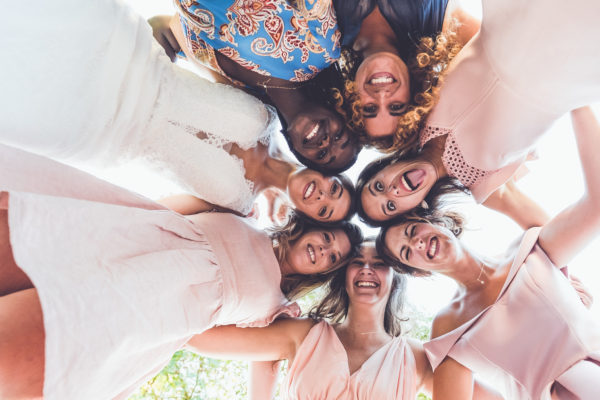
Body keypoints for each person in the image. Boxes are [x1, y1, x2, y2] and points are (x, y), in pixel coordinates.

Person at [0, 143, 363, 400]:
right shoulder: (244, 214)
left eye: (333, 258)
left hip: (140, 308)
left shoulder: (276, 308)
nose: (325, 250)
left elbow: (244, 356)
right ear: (313, 226)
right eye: (329, 237)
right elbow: (160, 209)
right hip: (112, 243)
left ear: (323, 274)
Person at [0, 0, 347, 217]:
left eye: (325, 210)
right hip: (126, 60)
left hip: (101, 133)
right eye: (335, 187)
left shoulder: (237, 211)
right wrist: (160, 32)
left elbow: (148, 216)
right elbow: (187, 40)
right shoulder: (262, 108)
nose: (322, 193)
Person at [377, 107, 600, 399]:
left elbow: (595, 205)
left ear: (434, 222)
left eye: (411, 233)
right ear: (417, 271)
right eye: (407, 254)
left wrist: (575, 100)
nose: (417, 245)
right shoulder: (447, 326)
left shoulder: (532, 248)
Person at [179, 241, 503, 399]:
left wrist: (461, 335)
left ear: (395, 278)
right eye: (357, 261)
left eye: (378, 262)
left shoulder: (417, 358)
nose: (366, 268)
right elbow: (199, 337)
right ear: (342, 275)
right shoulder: (302, 335)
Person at [151, 0, 360, 173]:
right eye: (340, 136)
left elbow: (164, 28)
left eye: (322, 155)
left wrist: (158, 44)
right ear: (341, 113)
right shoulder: (322, 49)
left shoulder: (238, 95)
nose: (326, 143)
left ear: (296, 150)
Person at [332, 0, 479, 148]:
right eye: (396, 106)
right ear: (414, 94)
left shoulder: (328, 36)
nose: (382, 95)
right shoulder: (438, 24)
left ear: (352, 99)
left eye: (370, 108)